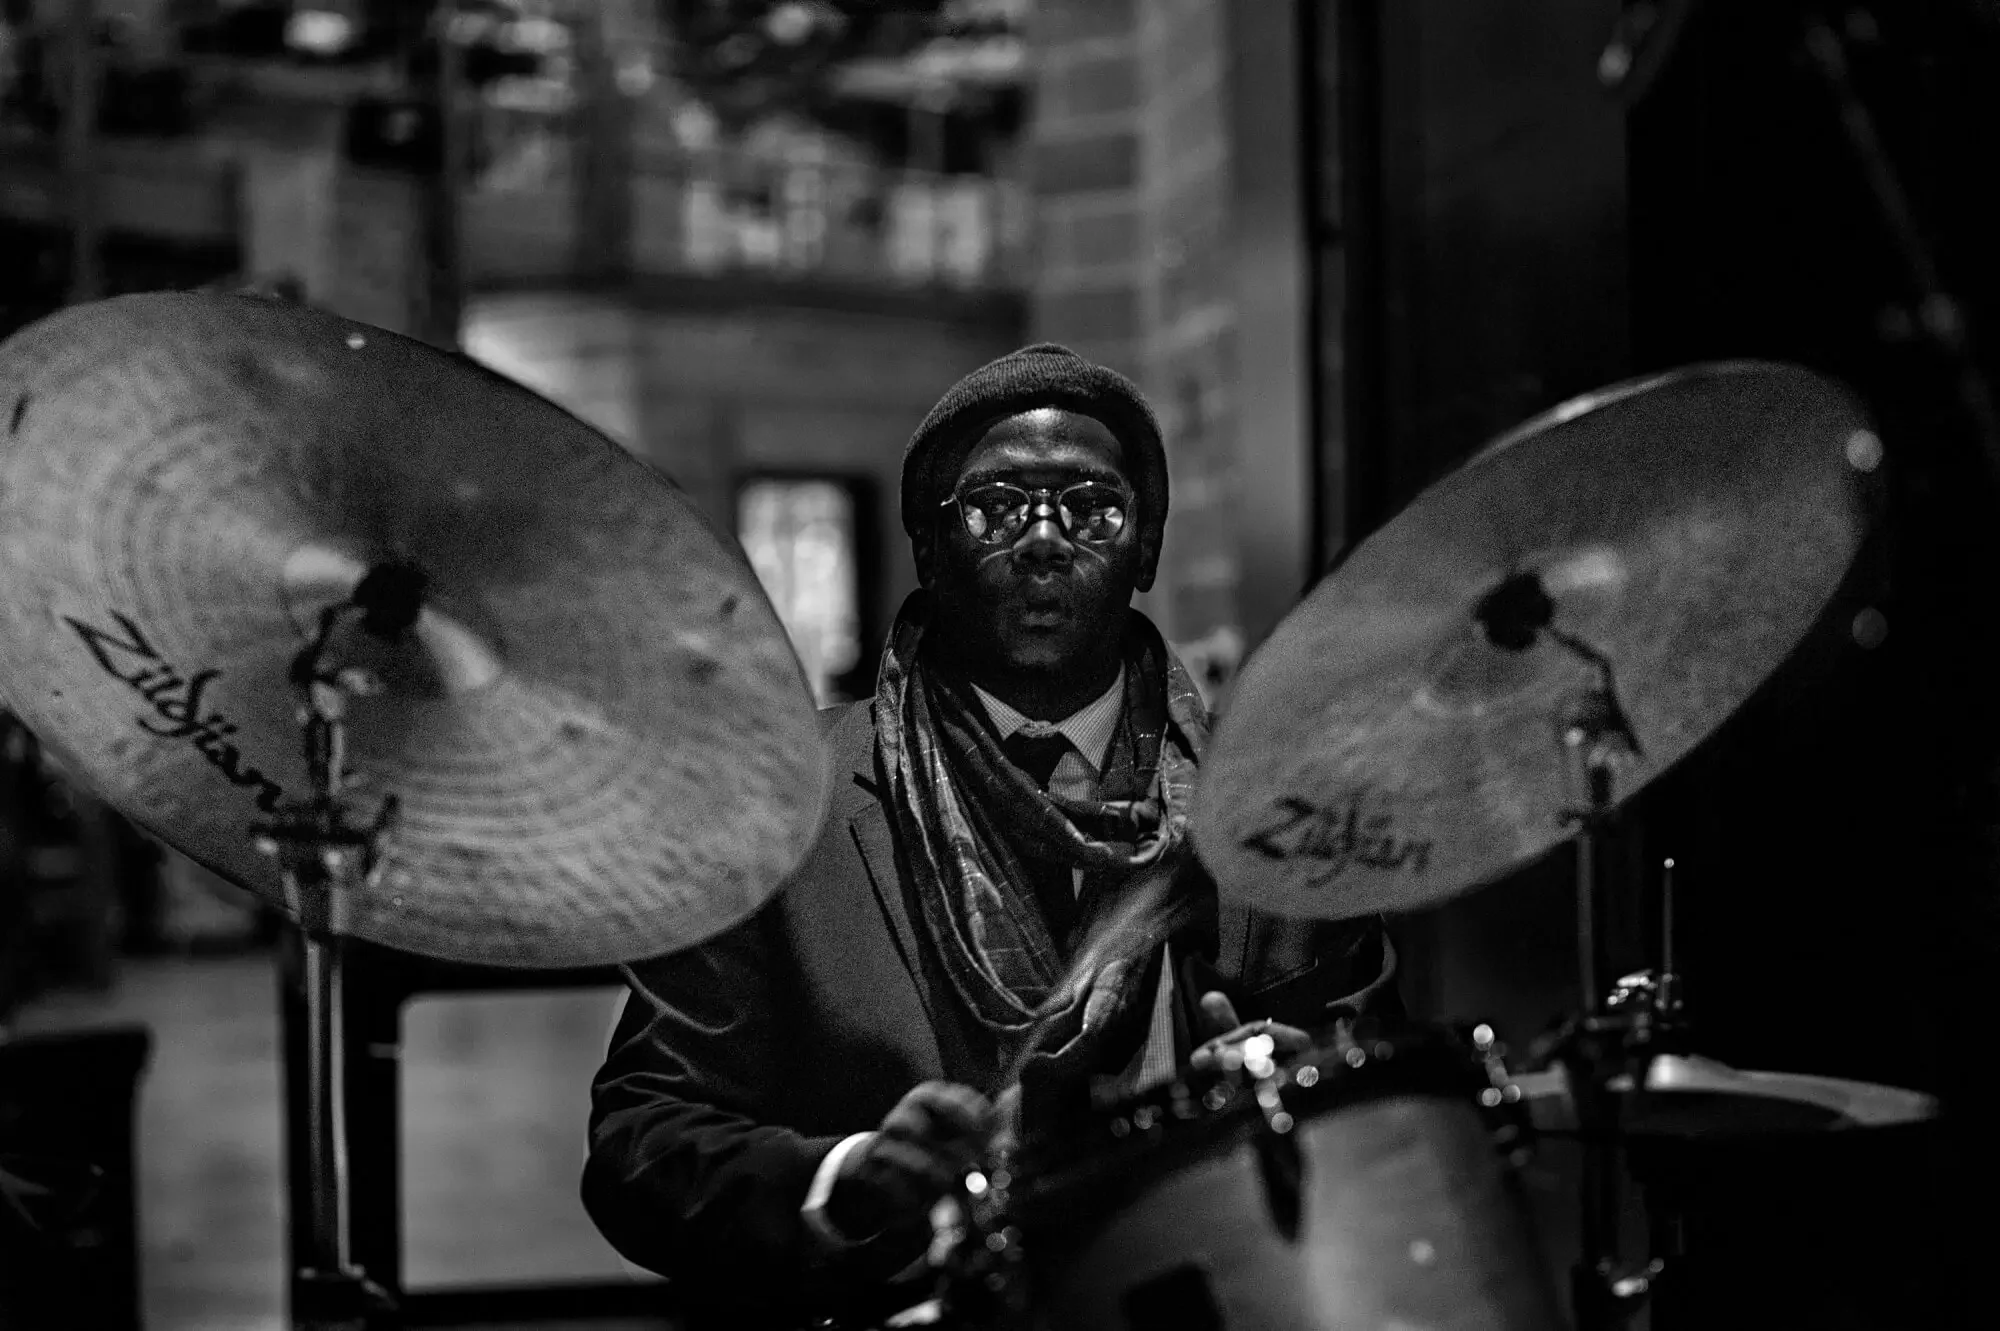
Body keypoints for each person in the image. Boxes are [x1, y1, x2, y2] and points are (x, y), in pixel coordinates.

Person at [582, 344, 1400, 1328]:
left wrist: (1306, 1084)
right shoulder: (770, 795)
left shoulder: (1269, 805)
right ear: (928, 548)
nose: (1045, 538)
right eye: (994, 507)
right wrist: (840, 1178)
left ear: (1145, 550)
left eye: (1093, 509)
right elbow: (641, 1144)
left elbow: (1393, 1121)